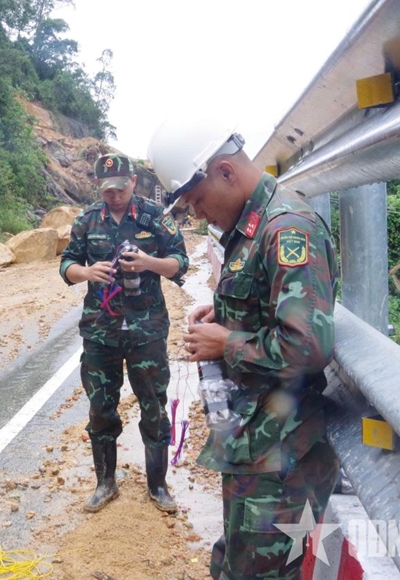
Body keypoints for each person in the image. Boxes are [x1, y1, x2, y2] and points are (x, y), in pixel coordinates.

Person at [147, 119, 340, 579]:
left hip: (282, 457)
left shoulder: (288, 229)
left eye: (196, 201)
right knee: (233, 564)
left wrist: (225, 342)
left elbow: (309, 347)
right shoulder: (250, 226)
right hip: (255, 441)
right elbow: (269, 306)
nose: (197, 215)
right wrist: (223, 314)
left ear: (226, 172)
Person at [59, 153, 189, 513]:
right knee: (101, 407)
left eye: (119, 188)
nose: (114, 196)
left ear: (133, 181)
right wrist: (86, 273)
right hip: (102, 332)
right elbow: (66, 263)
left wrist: (149, 263)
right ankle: (105, 483)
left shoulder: (154, 217)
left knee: (153, 405)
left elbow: (181, 261)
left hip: (146, 330)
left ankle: (158, 486)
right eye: (106, 190)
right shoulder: (87, 220)